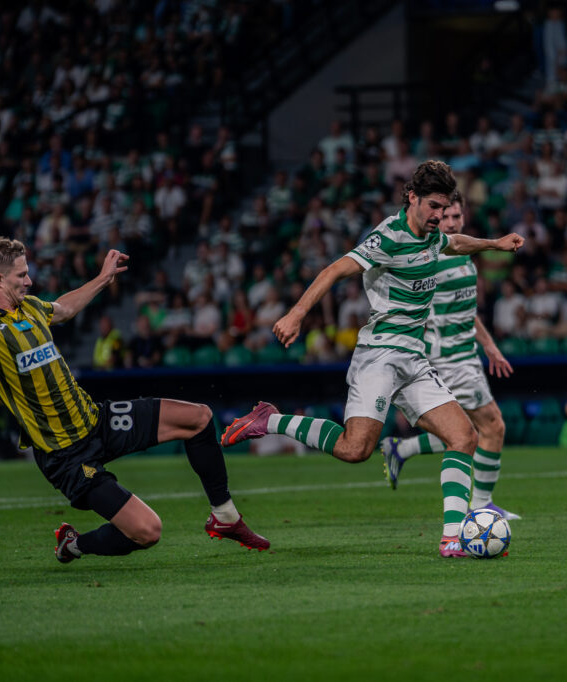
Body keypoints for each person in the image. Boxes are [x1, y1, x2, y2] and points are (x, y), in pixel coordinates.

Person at [0, 237, 268, 563]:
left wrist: (103, 278)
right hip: (65, 455)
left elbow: (63, 309)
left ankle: (224, 516)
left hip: (95, 420)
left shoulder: (30, 308)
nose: (29, 280)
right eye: (22, 275)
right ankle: (74, 545)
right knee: (148, 531)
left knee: (199, 417)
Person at [219, 161, 523, 557]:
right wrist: (296, 314)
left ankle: (453, 538)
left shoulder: (433, 235)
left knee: (464, 437)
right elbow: (334, 270)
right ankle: (269, 420)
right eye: (433, 206)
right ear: (412, 198)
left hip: (414, 359)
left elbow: (455, 243)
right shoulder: (388, 237)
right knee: (354, 449)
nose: (438, 215)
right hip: (379, 355)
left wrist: (495, 243)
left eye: (444, 207)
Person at [378, 192, 520, 521]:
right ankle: (481, 505)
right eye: (446, 218)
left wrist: (489, 345)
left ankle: (402, 448)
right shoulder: (432, 254)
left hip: (466, 353)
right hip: (447, 359)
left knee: (466, 430)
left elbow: (465, 310)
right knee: (491, 426)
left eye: (457, 216)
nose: (452, 223)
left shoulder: (461, 252)